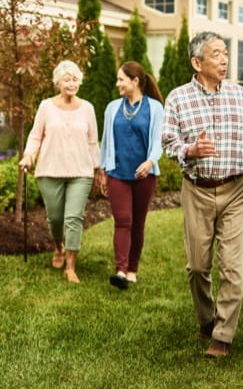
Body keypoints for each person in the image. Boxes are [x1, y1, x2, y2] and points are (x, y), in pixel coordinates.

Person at [162, 31, 243, 358]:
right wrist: (191, 150)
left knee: (231, 264)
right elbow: (169, 143)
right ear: (197, 62)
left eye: (226, 53)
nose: (225, 60)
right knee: (198, 266)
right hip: (198, 191)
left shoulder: (239, 95)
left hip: (237, 189)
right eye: (216, 54)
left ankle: (223, 335)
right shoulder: (178, 98)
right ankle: (206, 317)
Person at [19, 60, 100, 283]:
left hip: (80, 171)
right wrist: (28, 155)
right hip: (49, 170)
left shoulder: (88, 108)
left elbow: (93, 142)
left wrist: (98, 169)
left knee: (73, 218)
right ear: (58, 83)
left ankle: (71, 267)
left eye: (75, 79)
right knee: (55, 218)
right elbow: (36, 136)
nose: (71, 83)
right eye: (67, 79)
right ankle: (58, 247)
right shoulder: (46, 106)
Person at [100, 61, 164, 290]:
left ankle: (132, 270)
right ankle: (120, 270)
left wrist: (150, 161)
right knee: (123, 221)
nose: (117, 83)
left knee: (138, 223)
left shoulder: (155, 108)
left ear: (135, 81)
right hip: (118, 172)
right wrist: (102, 170)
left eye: (121, 79)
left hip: (144, 175)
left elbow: (158, 141)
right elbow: (106, 140)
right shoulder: (112, 107)